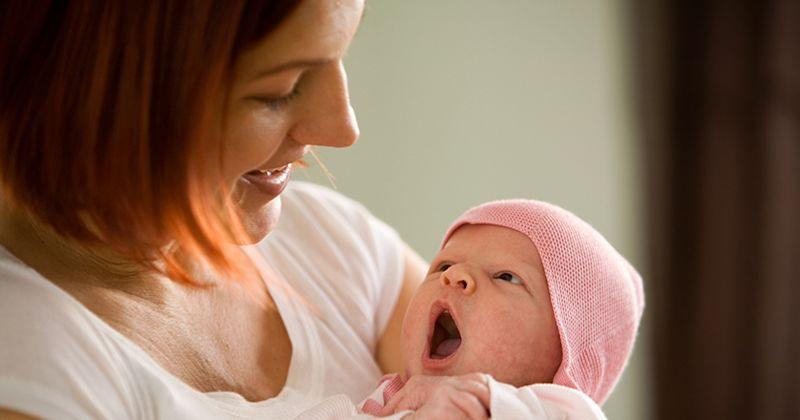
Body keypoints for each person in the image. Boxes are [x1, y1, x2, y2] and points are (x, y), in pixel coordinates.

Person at [0, 0, 429, 418]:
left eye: (340, 53)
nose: (343, 129)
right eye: (278, 92)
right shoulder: (32, 366)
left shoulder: (333, 243)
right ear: (97, 91)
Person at [304, 199, 644, 419]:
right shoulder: (383, 402)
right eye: (442, 266)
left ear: (566, 356)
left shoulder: (556, 409)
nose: (455, 276)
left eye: (506, 276)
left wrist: (485, 403)